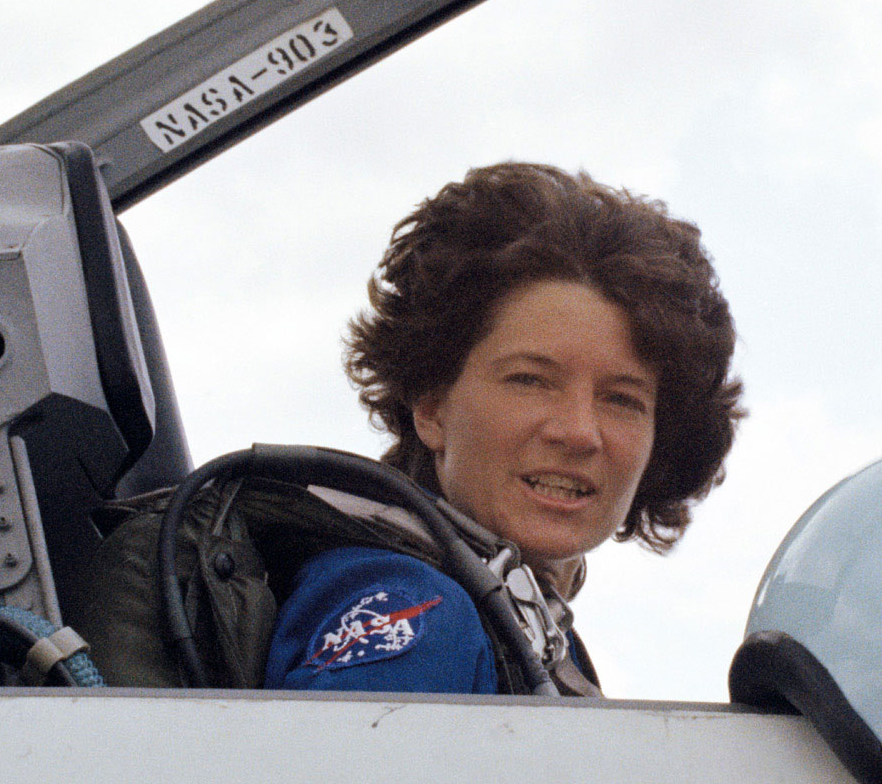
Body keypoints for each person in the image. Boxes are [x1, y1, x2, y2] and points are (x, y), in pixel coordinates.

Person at [263, 162, 743, 696]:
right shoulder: (421, 612)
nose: (579, 432)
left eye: (621, 399)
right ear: (431, 408)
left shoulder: (526, 630)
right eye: (530, 380)